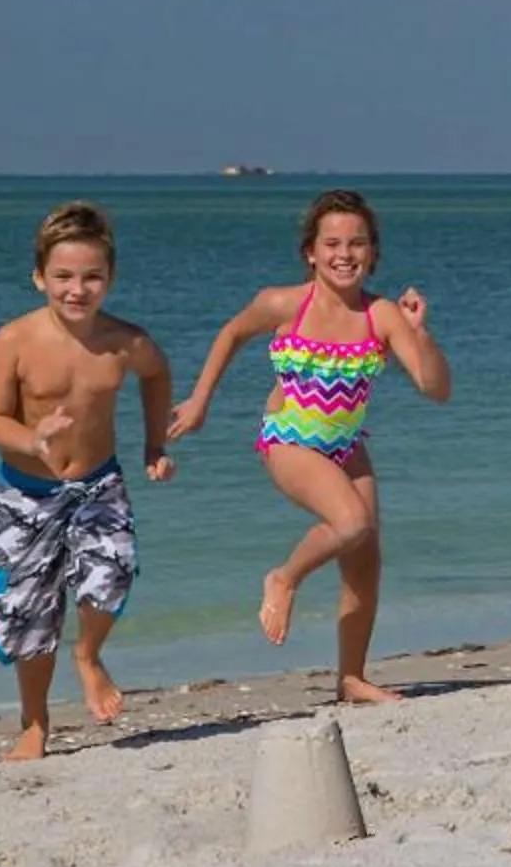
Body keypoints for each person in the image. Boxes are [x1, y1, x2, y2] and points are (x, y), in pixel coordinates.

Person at [167, 189, 450, 704]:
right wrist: (200, 399)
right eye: (333, 243)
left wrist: (419, 333)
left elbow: (436, 389)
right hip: (289, 438)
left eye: (357, 243)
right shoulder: (283, 303)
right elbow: (231, 334)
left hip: (346, 444)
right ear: (311, 253)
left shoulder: (381, 315)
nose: (345, 254)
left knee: (365, 562)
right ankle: (284, 577)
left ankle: (351, 678)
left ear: (373, 252)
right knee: (350, 522)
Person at [0, 202, 177, 762]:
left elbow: (157, 374)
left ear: (110, 279)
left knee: (112, 571)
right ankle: (35, 724)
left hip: (96, 484)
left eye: (92, 277)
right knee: (28, 616)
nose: (77, 289)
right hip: (22, 492)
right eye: (63, 277)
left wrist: (154, 444)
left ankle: (88, 655)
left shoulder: (125, 342)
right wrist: (32, 439)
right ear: (40, 276)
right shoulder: (13, 340)